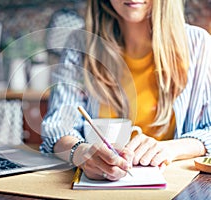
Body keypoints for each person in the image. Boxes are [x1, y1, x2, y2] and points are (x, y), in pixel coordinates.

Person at [40, 0, 211, 181]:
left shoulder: (199, 44)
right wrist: (82, 152)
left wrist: (171, 148)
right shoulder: (80, 43)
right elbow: (57, 127)